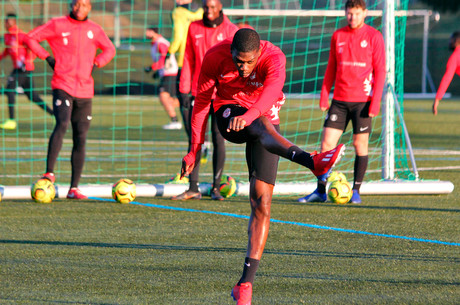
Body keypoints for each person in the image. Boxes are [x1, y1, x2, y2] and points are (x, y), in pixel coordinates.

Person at [178, 28, 345, 305]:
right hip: (229, 115)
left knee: (262, 202)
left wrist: (252, 114)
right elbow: (201, 105)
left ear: (258, 54)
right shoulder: (214, 57)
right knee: (260, 123)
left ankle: (244, 285)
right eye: (238, 61)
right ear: (231, 51)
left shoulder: (275, 57)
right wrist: (194, 150)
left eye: (249, 62)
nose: (243, 67)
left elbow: (271, 92)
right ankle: (311, 161)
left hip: (262, 120)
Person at [24, 0, 116, 199]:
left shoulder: (95, 29)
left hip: (85, 90)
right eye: (76, 4)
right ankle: (49, 172)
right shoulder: (58, 24)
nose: (79, 8)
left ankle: (74, 188)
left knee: (80, 137)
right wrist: (47, 57)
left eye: (84, 5)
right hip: (62, 85)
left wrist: (97, 62)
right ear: (71, 5)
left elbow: (110, 49)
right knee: (62, 123)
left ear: (90, 7)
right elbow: (30, 38)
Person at [298, 0, 385, 204]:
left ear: (364, 13)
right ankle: (320, 191)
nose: (352, 17)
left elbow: (380, 71)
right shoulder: (338, 35)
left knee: (359, 144)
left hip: (363, 101)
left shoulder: (374, 36)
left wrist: (376, 102)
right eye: (349, 13)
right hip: (339, 100)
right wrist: (324, 95)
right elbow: (331, 67)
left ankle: (356, 191)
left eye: (356, 13)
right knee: (327, 143)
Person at [173, 0, 238, 201]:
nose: (208, 11)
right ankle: (193, 187)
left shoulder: (231, 30)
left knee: (219, 139)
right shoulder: (194, 27)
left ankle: (216, 188)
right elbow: (188, 59)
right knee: (195, 140)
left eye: (212, 7)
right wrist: (184, 88)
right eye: (206, 7)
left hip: (221, 95)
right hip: (197, 92)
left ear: (220, 7)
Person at [0, 13, 53, 130]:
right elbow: (7, 51)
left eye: (8, 21)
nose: (6, 23)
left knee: (10, 89)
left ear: (14, 22)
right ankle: (54, 114)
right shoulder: (7, 36)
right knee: (32, 96)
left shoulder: (21, 35)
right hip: (19, 69)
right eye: (5, 21)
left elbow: (32, 47)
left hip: (24, 68)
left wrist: (27, 60)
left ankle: (11, 121)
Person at [144, 27, 181, 130]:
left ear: (153, 32)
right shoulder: (155, 43)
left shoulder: (161, 42)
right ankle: (187, 103)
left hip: (169, 73)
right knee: (170, 99)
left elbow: (164, 57)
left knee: (163, 96)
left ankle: (175, 121)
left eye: (148, 32)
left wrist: (152, 67)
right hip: (165, 73)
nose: (146, 34)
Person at [433, 31, 460, 115]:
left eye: (451, 40)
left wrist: (437, 99)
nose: (449, 42)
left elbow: (447, 79)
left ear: (456, 41)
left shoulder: (455, 57)